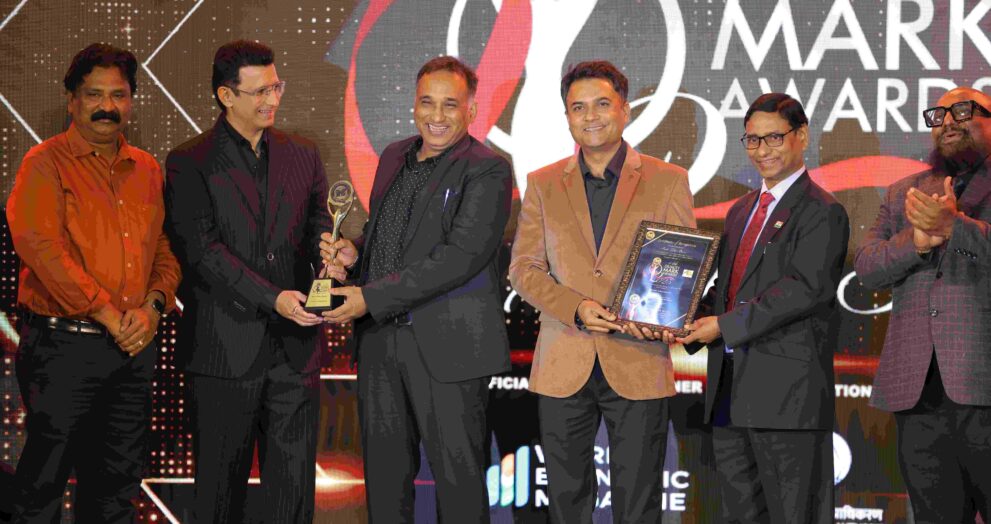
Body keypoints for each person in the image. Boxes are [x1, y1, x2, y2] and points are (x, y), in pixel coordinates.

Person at [320, 56, 511, 522]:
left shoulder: (488, 169)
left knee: (459, 489)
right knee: (385, 486)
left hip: (450, 349)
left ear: (471, 110)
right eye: (427, 102)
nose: (436, 115)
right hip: (380, 343)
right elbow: (388, 234)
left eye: (450, 104)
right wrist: (354, 254)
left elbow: (460, 256)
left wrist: (370, 297)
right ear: (413, 105)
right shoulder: (393, 156)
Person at [508, 60, 696, 523]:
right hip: (563, 360)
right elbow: (524, 269)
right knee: (567, 502)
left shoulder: (668, 179)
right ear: (567, 116)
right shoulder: (542, 183)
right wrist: (575, 307)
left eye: (602, 104)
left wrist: (660, 315)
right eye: (578, 107)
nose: (590, 116)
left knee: (639, 503)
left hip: (638, 356)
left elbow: (680, 265)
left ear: (625, 110)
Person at [6, 43, 181, 523]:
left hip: (131, 351)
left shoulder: (146, 169)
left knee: (115, 491)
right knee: (42, 489)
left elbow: (164, 250)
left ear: (131, 101)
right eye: (94, 95)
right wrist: (106, 313)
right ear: (72, 100)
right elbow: (41, 249)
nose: (107, 106)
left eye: (118, 95)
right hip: (63, 348)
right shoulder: (44, 163)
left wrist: (153, 307)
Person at [164, 40, 331, 523]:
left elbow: (319, 227)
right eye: (259, 91)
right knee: (219, 497)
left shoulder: (303, 154)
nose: (271, 100)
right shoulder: (189, 161)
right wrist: (272, 298)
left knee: (293, 499)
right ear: (226, 95)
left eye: (276, 87)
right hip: (222, 352)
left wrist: (332, 255)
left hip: (295, 353)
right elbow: (202, 252)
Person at [673, 93, 849, 523]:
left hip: (788, 399)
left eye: (774, 138)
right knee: (741, 515)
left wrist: (723, 326)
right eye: (752, 140)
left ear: (801, 135)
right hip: (730, 392)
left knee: (795, 514)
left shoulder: (823, 211)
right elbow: (728, 291)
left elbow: (803, 289)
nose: (762, 150)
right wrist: (679, 318)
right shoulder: (740, 211)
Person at [854, 86, 991, 521]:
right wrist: (915, 241)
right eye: (939, 115)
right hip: (919, 396)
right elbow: (867, 267)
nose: (947, 121)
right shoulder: (904, 193)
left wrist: (956, 228)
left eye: (962, 110)